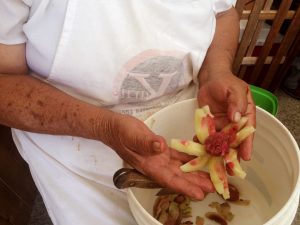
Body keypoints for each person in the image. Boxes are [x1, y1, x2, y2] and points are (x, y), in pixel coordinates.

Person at [0, 0, 256, 224]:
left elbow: (223, 14)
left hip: (182, 117)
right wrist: (103, 127)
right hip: (72, 137)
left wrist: (217, 72)